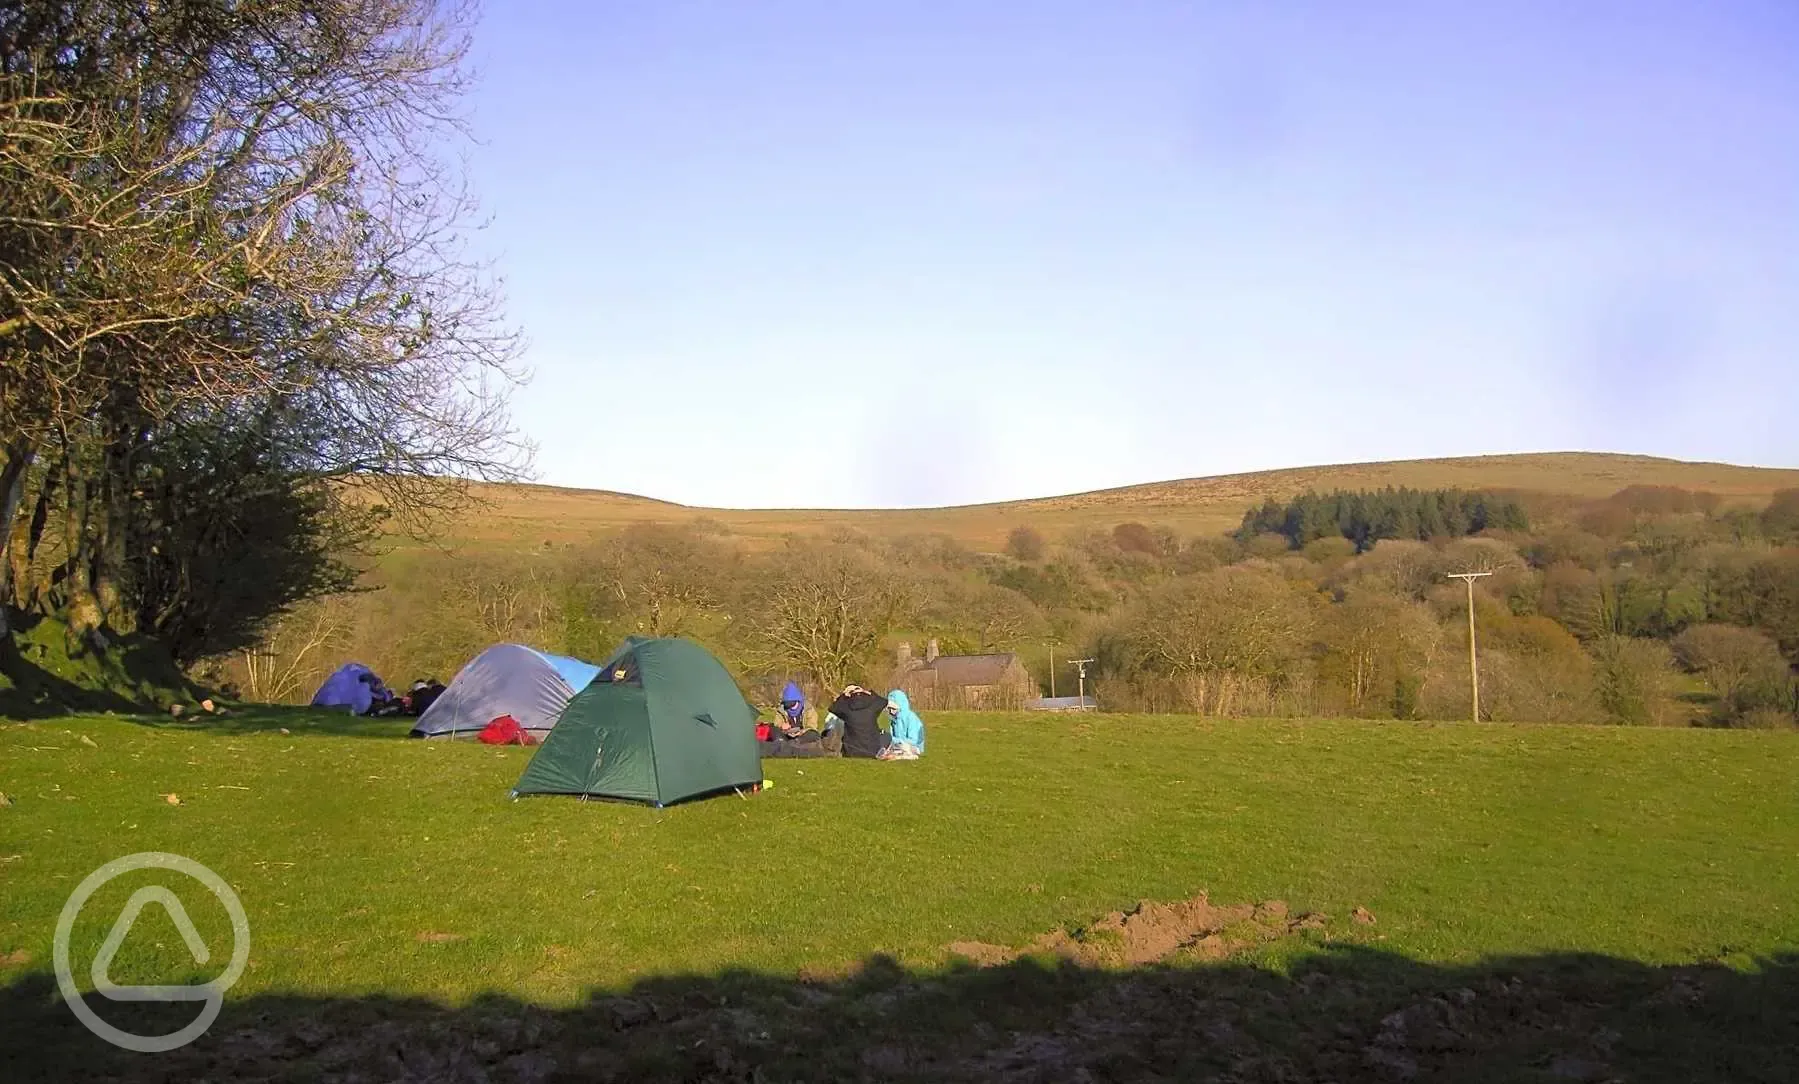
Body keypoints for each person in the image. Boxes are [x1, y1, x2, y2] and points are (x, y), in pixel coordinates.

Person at [830, 684, 890, 759]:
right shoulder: (872, 704)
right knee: (886, 735)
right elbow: (884, 701)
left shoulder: (846, 706)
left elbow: (833, 707)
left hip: (851, 752)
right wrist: (868, 692)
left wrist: (844, 695)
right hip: (872, 751)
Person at [878, 689, 926, 760]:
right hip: (898, 745)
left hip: (914, 747)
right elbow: (893, 737)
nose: (891, 711)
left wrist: (895, 740)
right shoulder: (893, 720)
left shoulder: (911, 718)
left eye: (893, 709)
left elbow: (914, 740)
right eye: (889, 709)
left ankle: (907, 756)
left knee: (903, 747)